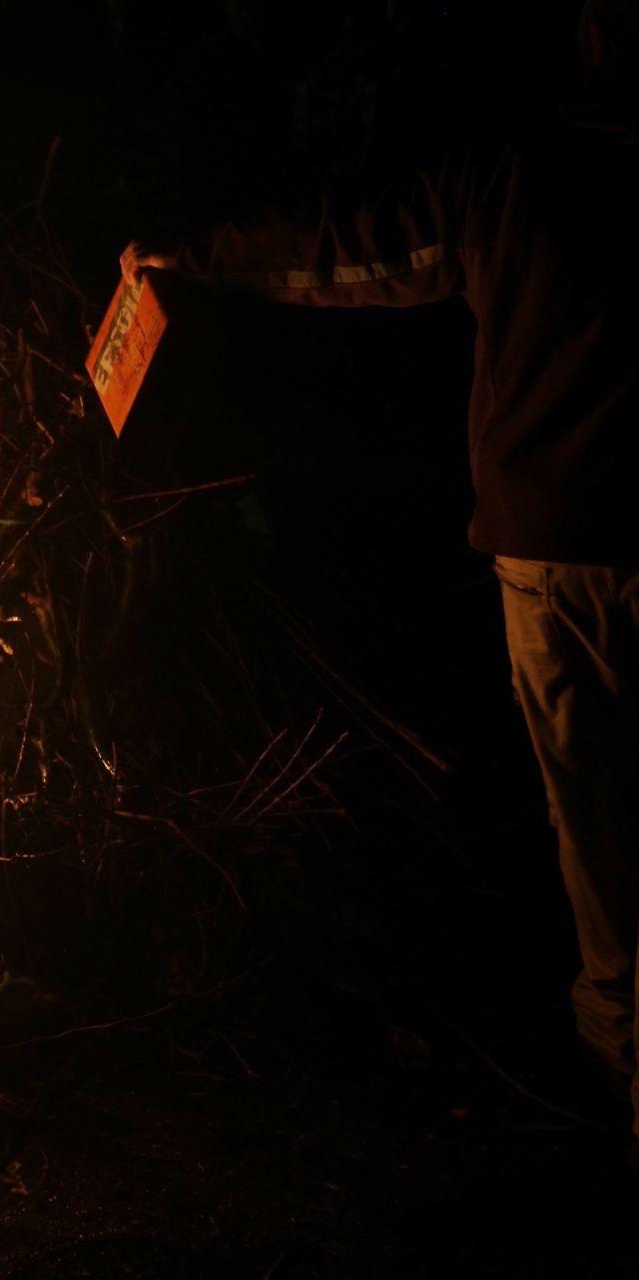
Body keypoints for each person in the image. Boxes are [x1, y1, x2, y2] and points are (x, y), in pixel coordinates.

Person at [122, 1, 636, 1162]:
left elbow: (359, 248)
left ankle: (623, 1058)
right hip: (557, 543)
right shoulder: (518, 165)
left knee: (600, 825)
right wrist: (201, 257)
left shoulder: (521, 168)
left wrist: (201, 255)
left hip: (556, 552)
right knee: (599, 820)